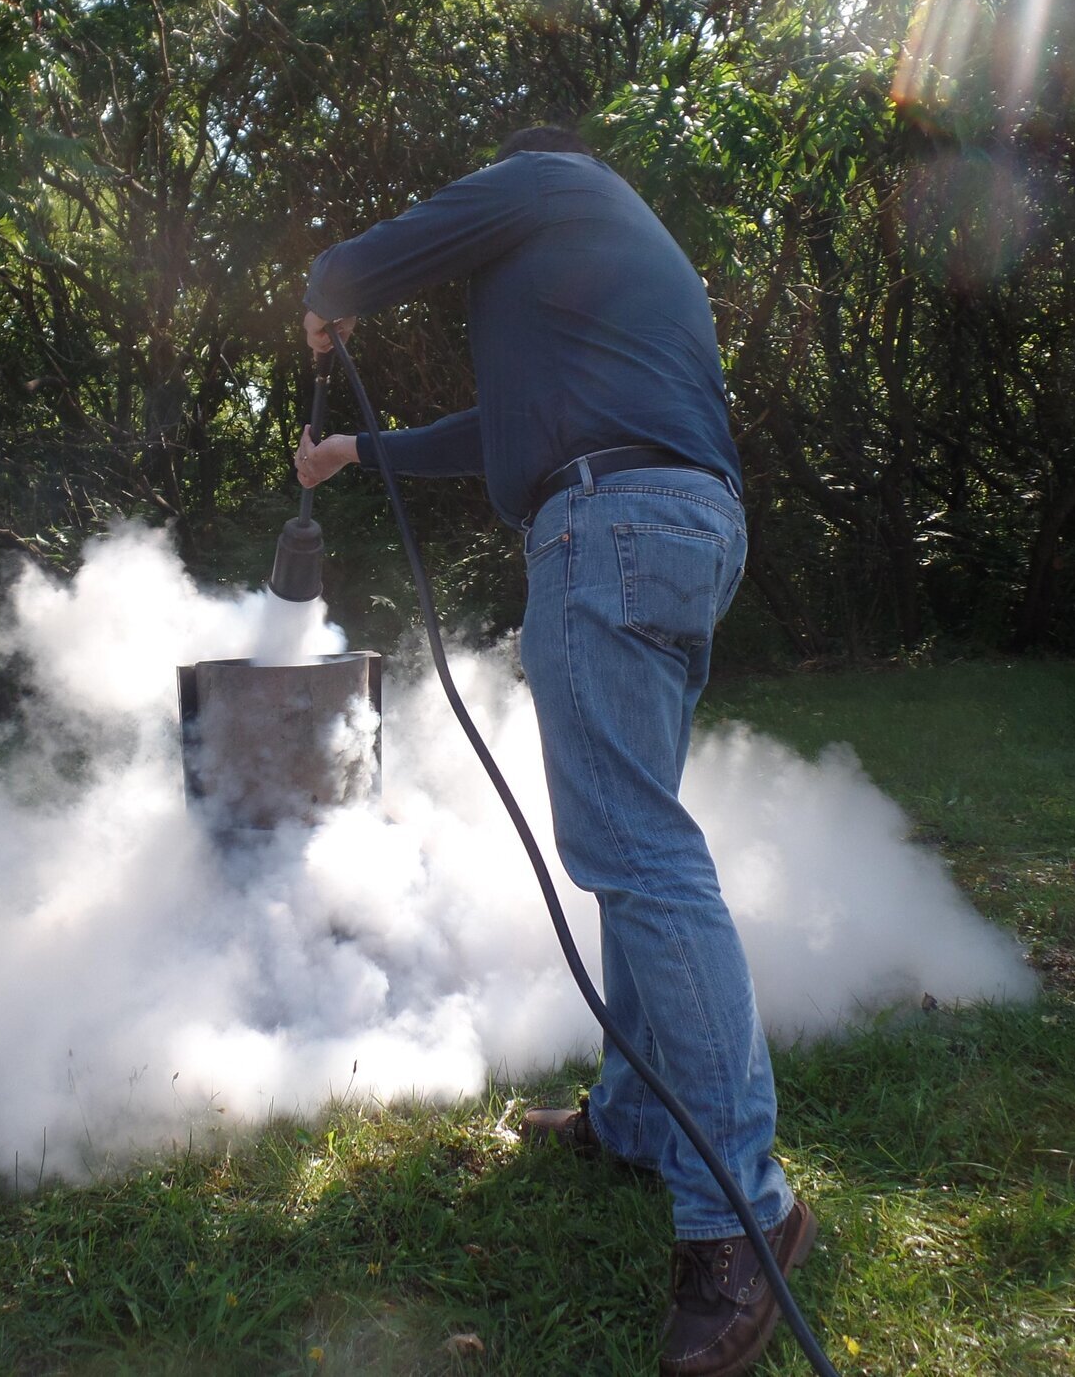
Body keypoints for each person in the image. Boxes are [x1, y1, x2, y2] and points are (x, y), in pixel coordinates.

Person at [295, 125, 814, 1377]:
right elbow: (499, 429)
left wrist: (329, 288)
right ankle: (637, 1118)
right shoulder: (616, 296)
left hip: (609, 527)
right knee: (633, 848)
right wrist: (359, 452)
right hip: (676, 530)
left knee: (635, 856)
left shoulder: (554, 180)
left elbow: (380, 254)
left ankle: (743, 1211)